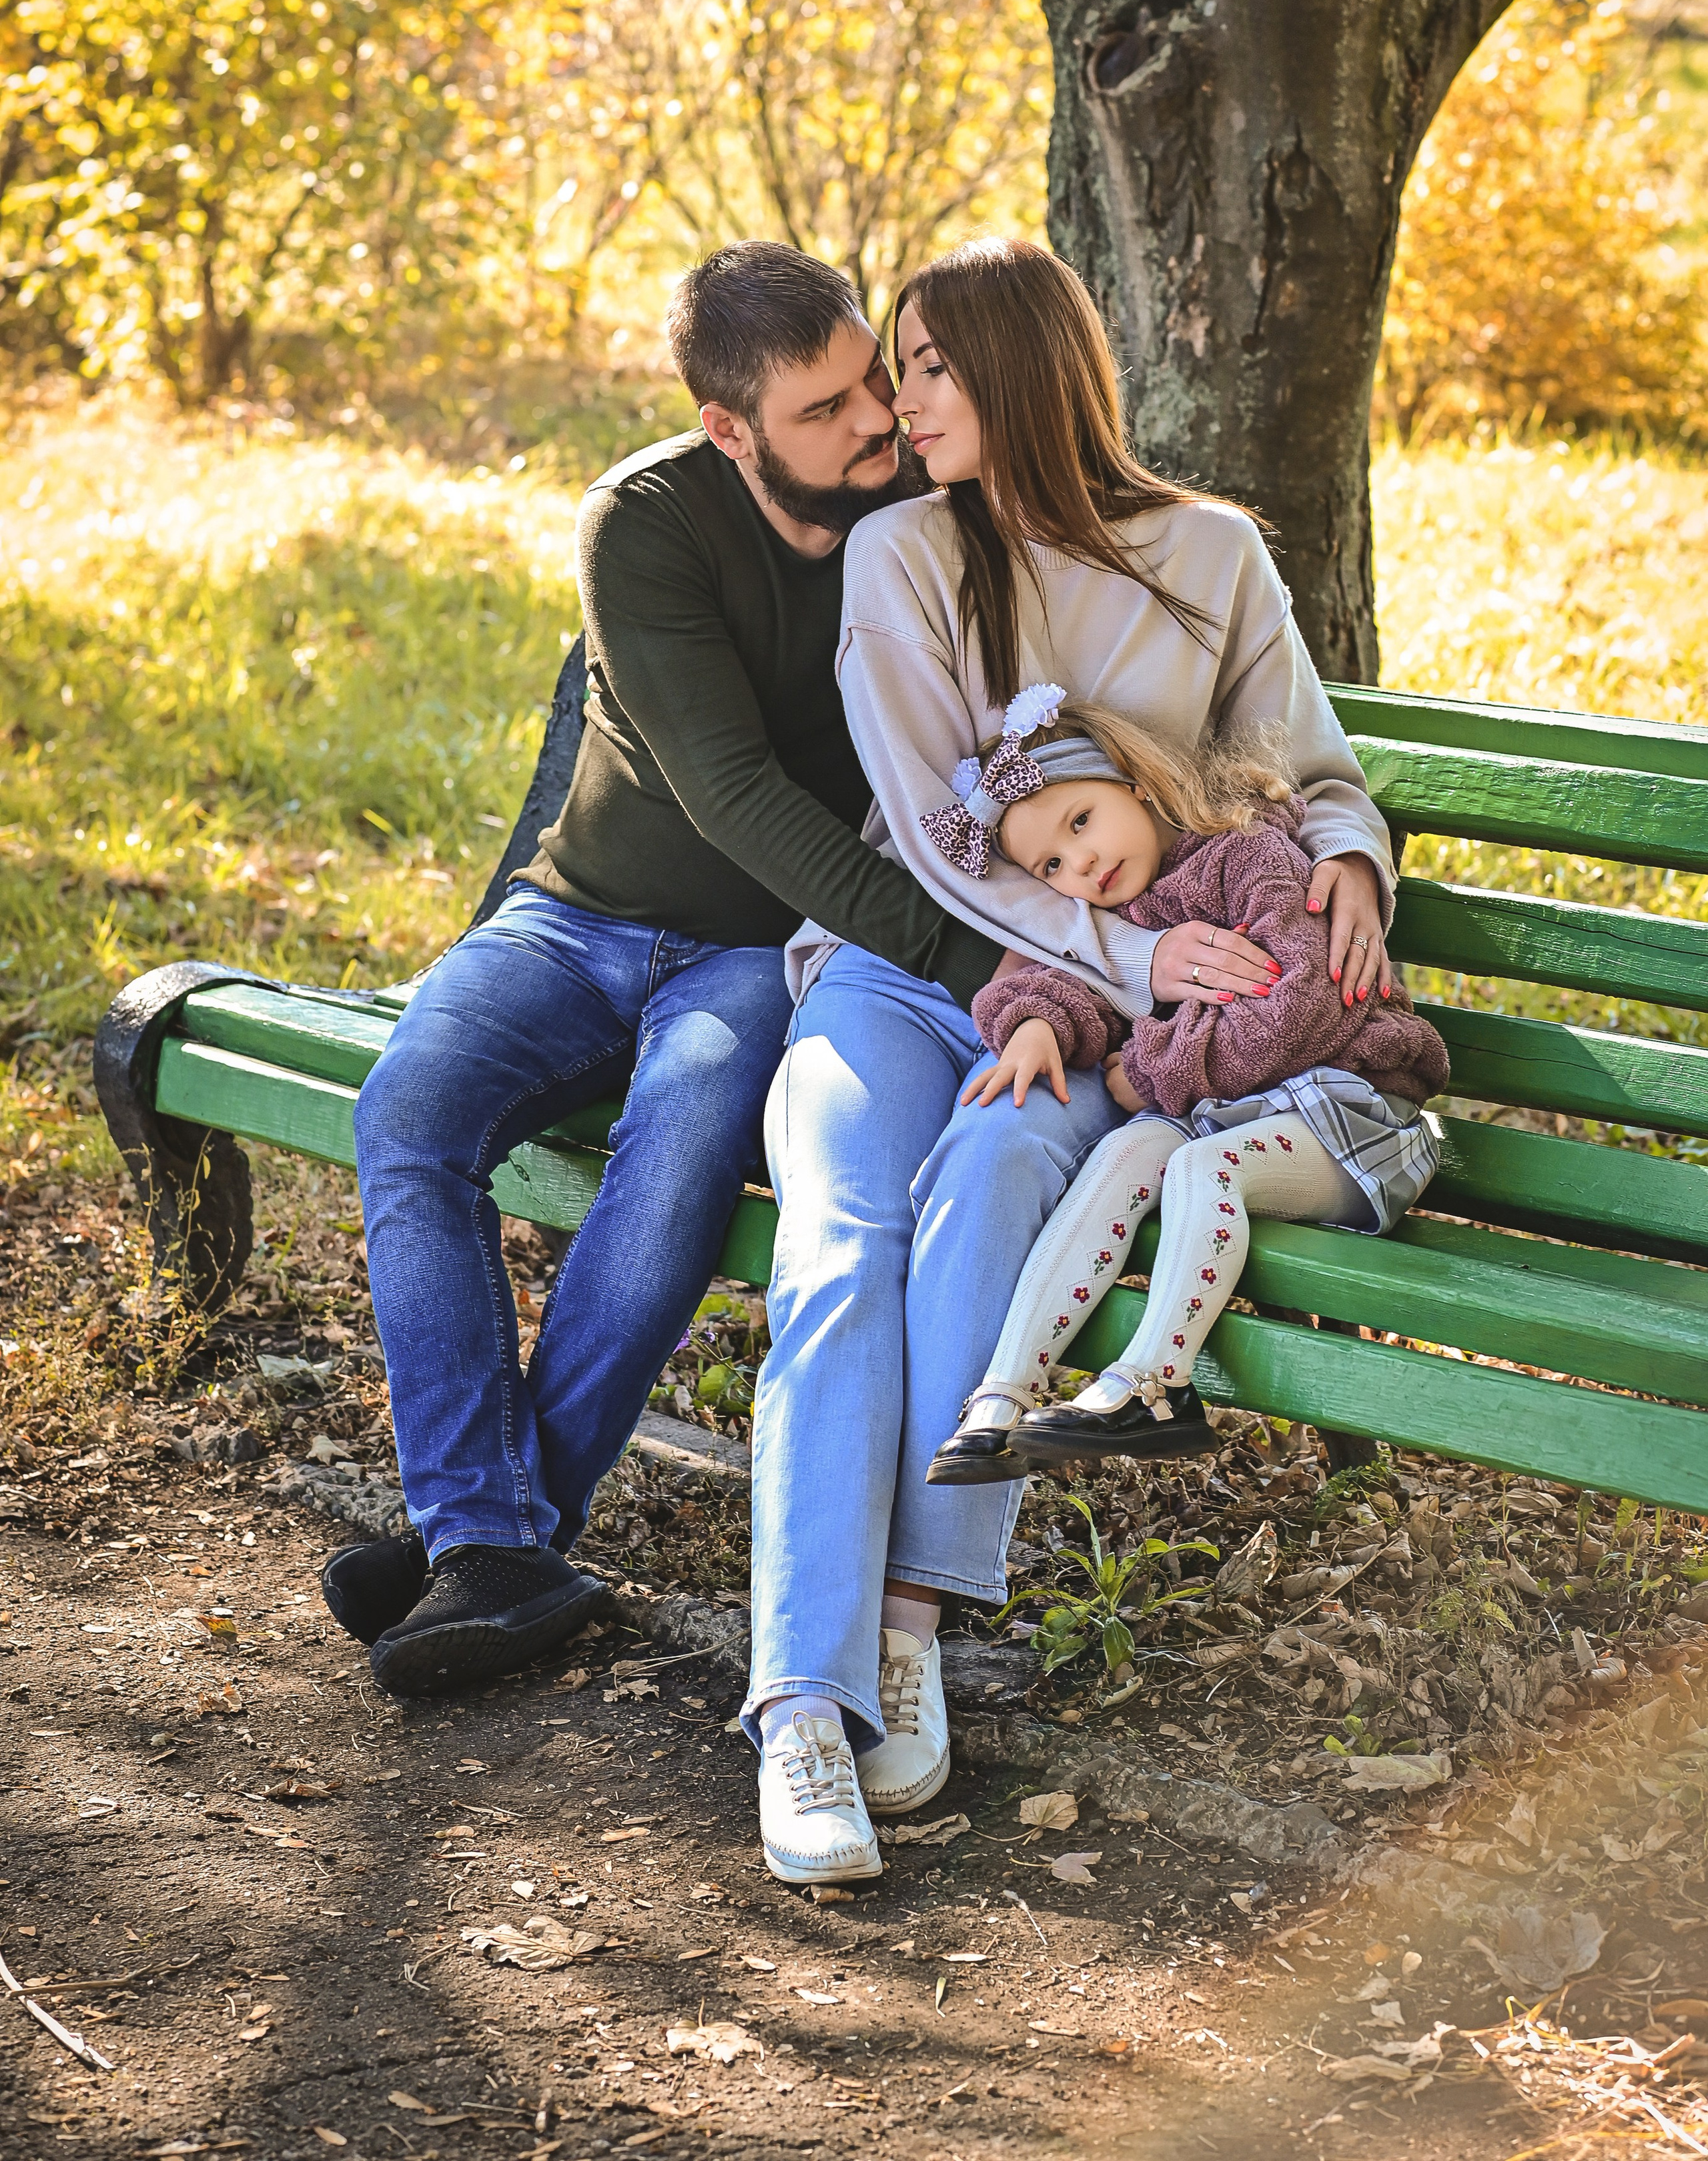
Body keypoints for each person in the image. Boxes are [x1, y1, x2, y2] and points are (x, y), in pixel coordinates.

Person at [743, 235, 1400, 1889]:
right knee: (840, 1245)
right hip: (913, 982)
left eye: (932, 366)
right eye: (895, 368)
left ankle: (905, 1628)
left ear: (1024, 371)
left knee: (989, 1179)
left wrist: (1342, 861)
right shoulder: (899, 554)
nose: (901, 399)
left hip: (1114, 1021)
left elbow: (1305, 761)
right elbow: (930, 847)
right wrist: (1136, 946)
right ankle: (800, 1708)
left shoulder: (1213, 552)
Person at [336, 242, 1003, 1699]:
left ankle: (480, 1535)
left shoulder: (922, 508)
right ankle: (498, 1533)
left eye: (869, 386)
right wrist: (968, 961)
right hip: (579, 917)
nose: (870, 426)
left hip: (766, 950)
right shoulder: (643, 520)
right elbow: (734, 797)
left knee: (689, 1136)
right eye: (821, 411)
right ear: (727, 426)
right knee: (407, 1113)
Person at [917, 691, 1447, 1484]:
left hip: (1354, 1112)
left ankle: (1156, 1388)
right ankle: (1000, 1400)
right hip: (1242, 1117)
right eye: (1051, 867)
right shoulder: (1123, 912)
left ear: (1133, 782)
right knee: (1128, 1149)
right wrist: (1036, 1022)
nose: (1081, 865)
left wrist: (1154, 1068)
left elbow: (1297, 1009)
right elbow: (1083, 985)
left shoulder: (1245, 854)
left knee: (1200, 1168)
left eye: (1081, 821)